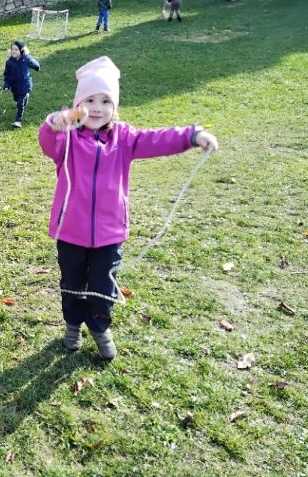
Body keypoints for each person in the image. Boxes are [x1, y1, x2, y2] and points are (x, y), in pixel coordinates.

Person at [37, 56, 218, 361]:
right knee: (72, 283)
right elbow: (46, 142)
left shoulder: (124, 139)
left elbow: (158, 139)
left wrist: (192, 135)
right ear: (78, 105)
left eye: (105, 101)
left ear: (115, 107)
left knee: (103, 286)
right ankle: (73, 325)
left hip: (109, 233)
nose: (97, 108)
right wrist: (53, 123)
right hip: (71, 230)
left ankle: (100, 328)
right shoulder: (67, 139)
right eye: (89, 100)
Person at [3, 39, 41, 128]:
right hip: (14, 86)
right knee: (17, 99)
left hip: (25, 84)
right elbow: (7, 75)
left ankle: (18, 120)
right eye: (12, 49)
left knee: (20, 103)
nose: (13, 51)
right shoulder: (9, 62)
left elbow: (34, 64)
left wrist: (37, 67)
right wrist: (6, 84)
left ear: (21, 50)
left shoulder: (26, 59)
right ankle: (25, 97)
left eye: (16, 49)